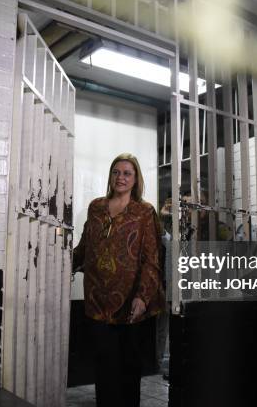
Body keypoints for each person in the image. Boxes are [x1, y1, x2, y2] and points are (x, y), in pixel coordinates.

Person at [73, 153, 165, 407]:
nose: (120, 177)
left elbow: (152, 258)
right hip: (97, 301)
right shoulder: (96, 207)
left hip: (130, 303)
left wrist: (143, 297)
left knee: (128, 369)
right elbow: (85, 247)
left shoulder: (144, 212)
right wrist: (60, 263)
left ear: (136, 180)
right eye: (116, 172)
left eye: (127, 173)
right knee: (104, 367)